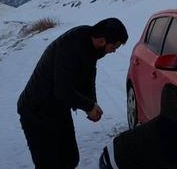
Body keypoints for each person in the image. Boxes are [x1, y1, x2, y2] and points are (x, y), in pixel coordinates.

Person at [18, 17, 128, 168]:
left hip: (58, 107)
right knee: (50, 163)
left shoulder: (92, 47)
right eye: (114, 46)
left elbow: (89, 77)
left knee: (70, 158)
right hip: (36, 110)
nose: (114, 51)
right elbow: (62, 90)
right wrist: (88, 106)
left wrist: (92, 103)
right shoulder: (70, 46)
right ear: (102, 40)